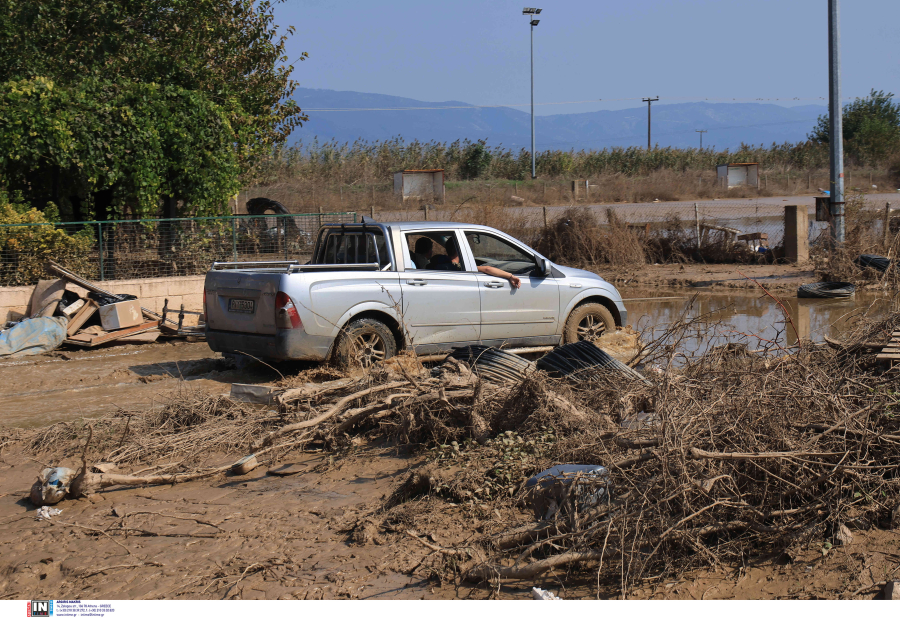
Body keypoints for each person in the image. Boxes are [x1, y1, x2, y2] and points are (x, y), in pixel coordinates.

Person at [429, 238, 521, 289]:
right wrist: (510, 276)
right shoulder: (458, 267)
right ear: (460, 251)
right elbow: (487, 269)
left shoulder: (436, 263)